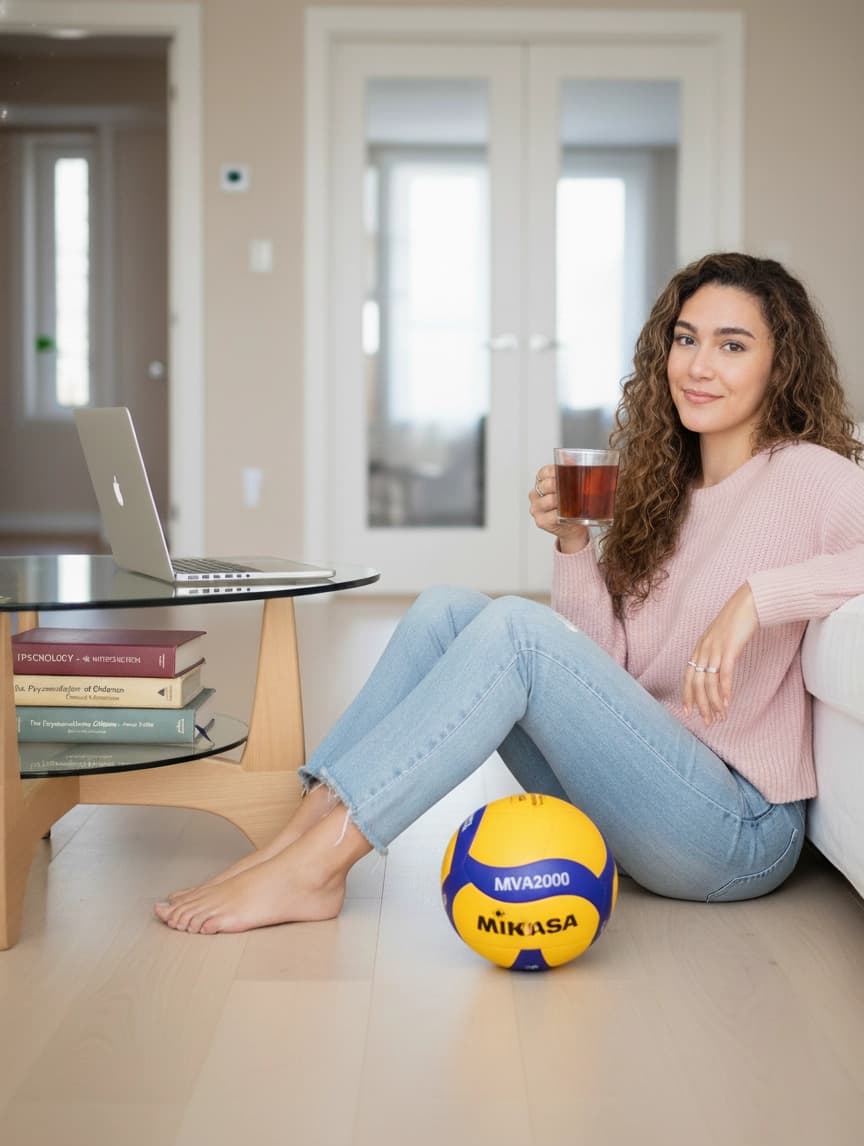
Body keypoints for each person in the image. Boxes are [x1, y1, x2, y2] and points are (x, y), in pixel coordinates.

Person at [155, 252, 864, 935]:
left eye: (732, 346)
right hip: (640, 795)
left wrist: (757, 600)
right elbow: (607, 663)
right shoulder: (665, 492)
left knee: (517, 630)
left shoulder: (807, 474)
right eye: (686, 339)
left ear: (781, 366)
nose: (699, 366)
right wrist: (574, 542)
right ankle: (295, 840)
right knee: (447, 610)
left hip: (734, 830)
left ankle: (318, 864)